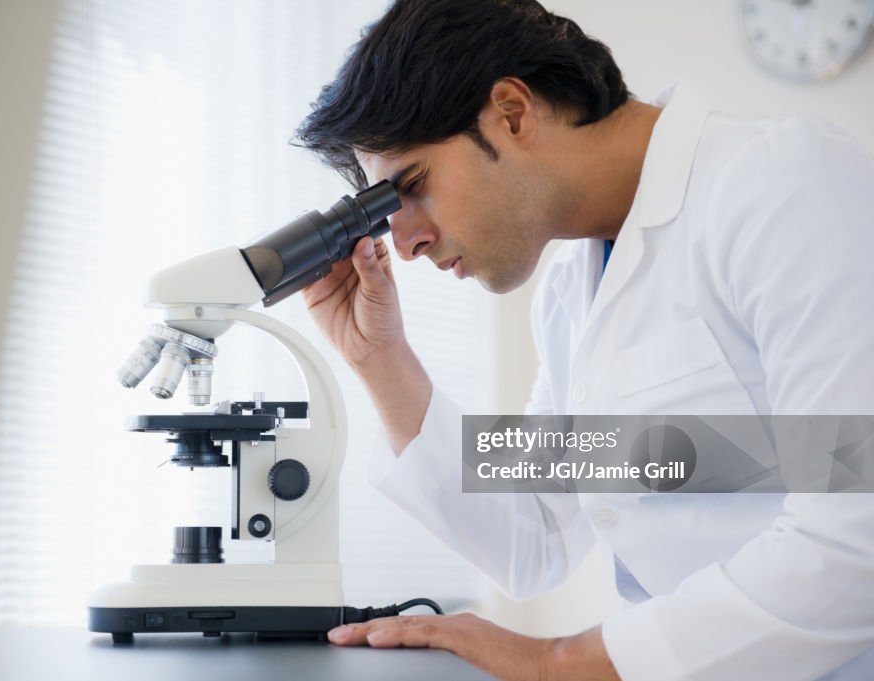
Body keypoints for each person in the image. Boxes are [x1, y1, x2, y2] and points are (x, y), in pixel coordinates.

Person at [294, 1, 874, 680]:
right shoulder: (573, 286)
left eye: (413, 186)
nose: (410, 241)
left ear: (512, 112)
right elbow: (538, 528)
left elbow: (854, 534)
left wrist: (555, 661)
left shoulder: (779, 183)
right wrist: (381, 358)